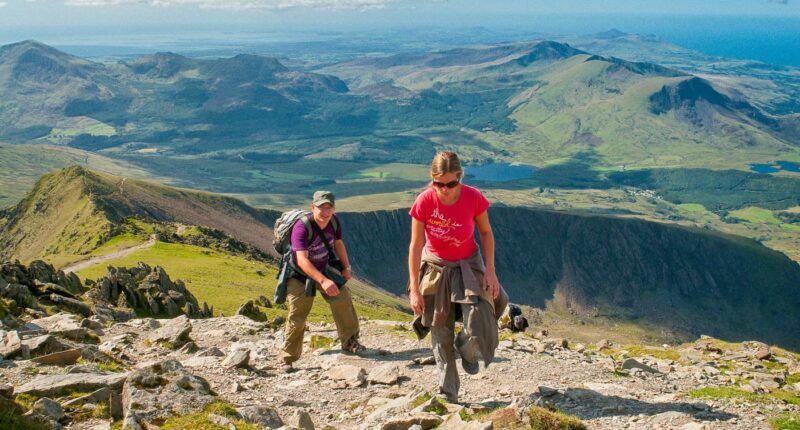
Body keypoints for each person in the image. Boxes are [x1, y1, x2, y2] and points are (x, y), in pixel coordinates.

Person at [408, 151, 508, 403]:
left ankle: (466, 348)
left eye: (451, 184)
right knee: (440, 328)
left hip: (468, 263)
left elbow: (486, 233)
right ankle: (447, 393)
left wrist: (491, 271)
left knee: (482, 315)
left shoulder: (473, 197)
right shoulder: (424, 201)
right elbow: (416, 244)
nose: (445, 190)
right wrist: (414, 288)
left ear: (460, 178)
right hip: (436, 266)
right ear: (432, 180)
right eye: (439, 184)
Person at [280, 190, 364, 373]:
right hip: (299, 275)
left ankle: (350, 342)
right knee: (298, 314)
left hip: (323, 267)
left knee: (342, 298)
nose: (325, 212)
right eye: (321, 208)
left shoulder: (334, 221)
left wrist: (346, 267)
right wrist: (324, 281)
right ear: (313, 207)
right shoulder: (302, 227)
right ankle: (288, 358)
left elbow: (338, 243)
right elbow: (302, 260)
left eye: (329, 208)